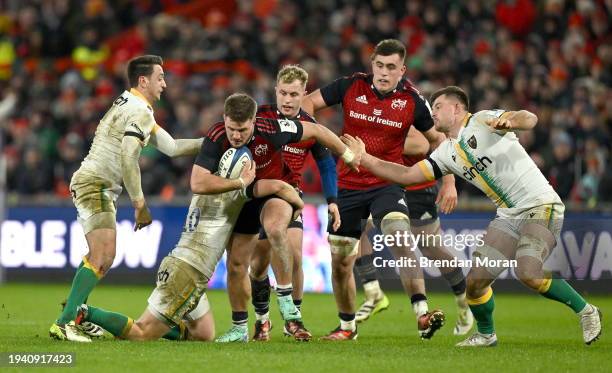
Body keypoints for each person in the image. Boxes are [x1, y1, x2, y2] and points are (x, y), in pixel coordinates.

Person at [342, 85, 603, 347]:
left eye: (438, 107)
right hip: (509, 214)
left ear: (456, 108)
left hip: (541, 204)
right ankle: (487, 334)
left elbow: (530, 118)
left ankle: (587, 311)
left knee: (528, 271)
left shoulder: (482, 120)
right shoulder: (445, 152)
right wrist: (365, 159)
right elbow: (407, 176)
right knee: (475, 284)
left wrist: (511, 119)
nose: (432, 113)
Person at [74, 138, 305, 342]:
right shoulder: (236, 193)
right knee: (142, 332)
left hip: (179, 264)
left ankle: (163, 322)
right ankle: (83, 313)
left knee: (203, 333)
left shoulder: (205, 186)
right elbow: (279, 186)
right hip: (188, 275)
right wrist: (298, 204)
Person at [302, 39, 456, 340]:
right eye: (379, 66)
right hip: (346, 185)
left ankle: (422, 314)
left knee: (400, 234)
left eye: (391, 67)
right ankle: (347, 327)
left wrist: (448, 180)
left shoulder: (412, 100)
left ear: (402, 69)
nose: (384, 73)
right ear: (372, 64)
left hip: (387, 182)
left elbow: (438, 139)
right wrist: (328, 140)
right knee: (341, 262)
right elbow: (308, 103)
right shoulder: (350, 86)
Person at [49, 55, 203, 342]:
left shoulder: (131, 104)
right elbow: (129, 155)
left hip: (95, 183)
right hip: (96, 183)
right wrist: (139, 203)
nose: (165, 84)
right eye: (160, 78)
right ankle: (65, 321)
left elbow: (172, 147)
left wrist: (215, 142)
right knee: (101, 256)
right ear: (143, 81)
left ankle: (73, 315)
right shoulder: (140, 111)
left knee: (103, 257)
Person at [193, 93, 359, 343]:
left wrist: (347, 155)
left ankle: (285, 298)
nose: (236, 136)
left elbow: (317, 131)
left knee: (275, 228)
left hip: (274, 192)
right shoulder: (217, 136)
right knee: (238, 265)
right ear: (224, 119)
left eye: (242, 129)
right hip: (240, 198)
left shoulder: (271, 128)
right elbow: (197, 181)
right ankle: (239, 328)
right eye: (231, 128)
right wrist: (238, 182)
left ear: (253, 120)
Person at [247, 65, 340, 342]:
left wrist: (332, 200)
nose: (288, 100)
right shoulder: (259, 118)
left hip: (289, 196)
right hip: (256, 194)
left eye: (294, 94)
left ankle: (294, 319)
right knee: (258, 266)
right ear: (276, 91)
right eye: (284, 93)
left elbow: (326, 164)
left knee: (296, 256)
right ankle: (262, 320)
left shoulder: (311, 126)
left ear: (304, 94)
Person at [354, 127, 474, 336]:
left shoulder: (408, 103)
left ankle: (464, 299)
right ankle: (396, 302)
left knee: (432, 249)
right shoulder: (364, 105)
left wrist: (449, 182)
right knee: (355, 227)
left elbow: (423, 144)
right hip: (385, 188)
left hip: (418, 189)